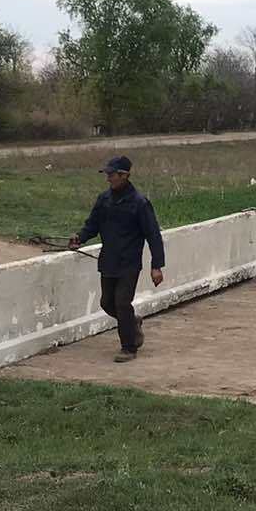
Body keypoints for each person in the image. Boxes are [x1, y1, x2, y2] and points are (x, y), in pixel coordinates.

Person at [69, 155, 165, 362]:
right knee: (106, 303)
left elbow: (153, 235)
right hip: (108, 260)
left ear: (124, 175)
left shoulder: (140, 203)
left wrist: (157, 265)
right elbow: (92, 224)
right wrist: (80, 237)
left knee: (122, 303)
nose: (108, 178)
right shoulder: (104, 200)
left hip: (129, 263)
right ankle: (132, 322)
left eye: (111, 174)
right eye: (107, 174)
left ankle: (129, 347)